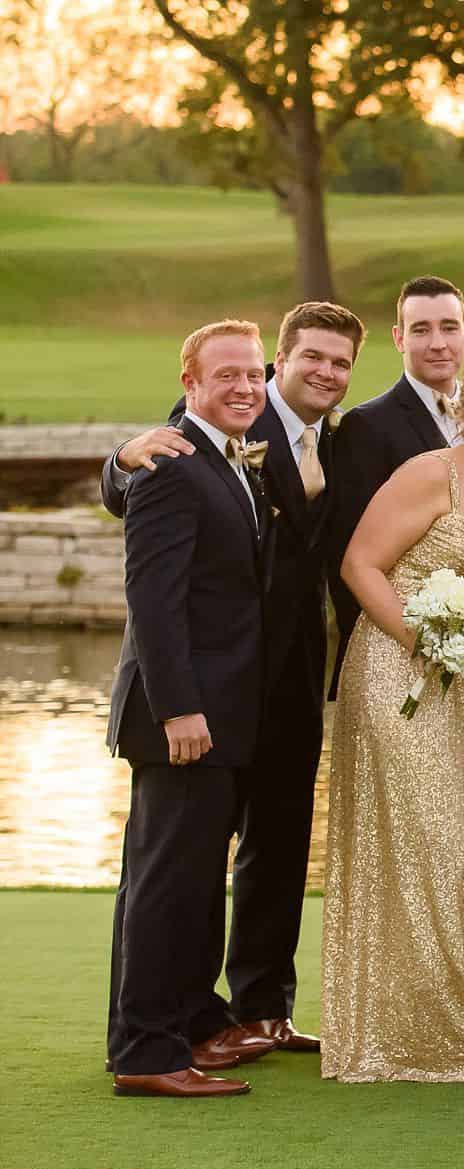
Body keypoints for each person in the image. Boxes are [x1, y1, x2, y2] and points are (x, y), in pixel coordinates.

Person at [99, 302, 365, 1058]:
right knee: (171, 873)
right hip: (197, 695)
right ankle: (150, 1043)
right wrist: (119, 458)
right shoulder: (187, 445)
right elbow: (151, 577)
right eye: (311, 357)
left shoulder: (313, 442)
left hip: (275, 685)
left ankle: (230, 1015)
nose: (325, 373)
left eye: (341, 363)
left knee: (241, 857)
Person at [320, 340, 464, 1083]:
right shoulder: (428, 473)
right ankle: (408, 1036)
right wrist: (421, 638)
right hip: (398, 673)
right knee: (432, 839)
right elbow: (359, 564)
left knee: (458, 850)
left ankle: (426, 1021)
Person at [104, 321, 272, 1097]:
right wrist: (178, 709)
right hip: (182, 719)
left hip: (220, 714)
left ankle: (184, 1025)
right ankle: (146, 1054)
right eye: (226, 374)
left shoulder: (224, 456)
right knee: (165, 885)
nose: (244, 386)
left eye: (254, 373)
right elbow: (153, 599)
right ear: (191, 382)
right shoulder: (172, 463)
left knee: (192, 882)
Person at [325, 275, 464, 676]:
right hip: (400, 654)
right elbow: (347, 557)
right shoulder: (366, 427)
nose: (438, 343)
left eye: (448, 327)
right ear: (398, 338)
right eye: (421, 330)